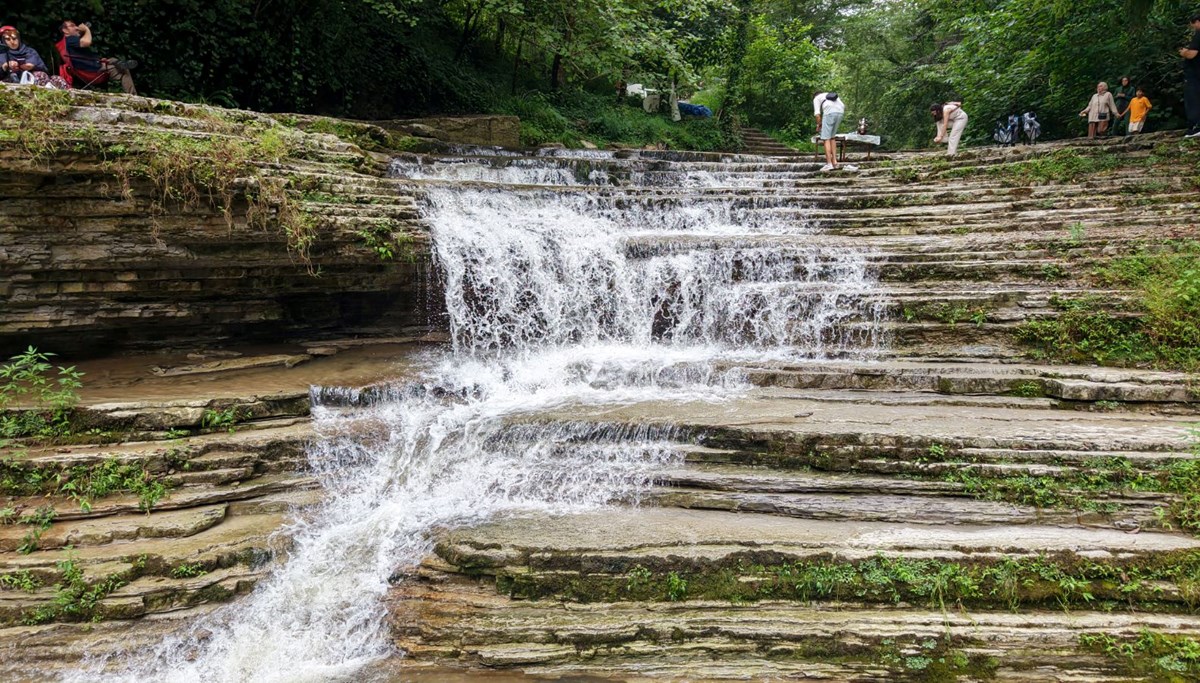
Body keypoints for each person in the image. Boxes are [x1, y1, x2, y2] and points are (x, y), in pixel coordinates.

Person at [57, 20, 137, 95]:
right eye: (72, 26)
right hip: (94, 71)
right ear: (65, 30)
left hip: (93, 67)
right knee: (123, 70)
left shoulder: (67, 43)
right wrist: (86, 29)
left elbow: (82, 57)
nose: (76, 27)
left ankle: (119, 63)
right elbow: (87, 42)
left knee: (113, 60)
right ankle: (133, 95)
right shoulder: (70, 39)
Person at [0, 26, 68, 88]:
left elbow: (31, 65)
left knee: (55, 79)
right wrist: (6, 65)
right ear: (3, 41)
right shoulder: (2, 53)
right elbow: (3, 67)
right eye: (8, 39)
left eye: (14, 39)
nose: (12, 42)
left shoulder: (29, 51)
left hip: (32, 77)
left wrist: (20, 66)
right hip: (9, 79)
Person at [813, 91, 857, 172]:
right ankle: (835, 163)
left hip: (830, 112)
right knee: (832, 138)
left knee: (826, 139)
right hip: (840, 111)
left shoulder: (816, 98)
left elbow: (817, 115)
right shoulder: (827, 95)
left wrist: (819, 125)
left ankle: (829, 164)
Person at [1181, 13, 1200, 138]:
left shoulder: (1199, 34)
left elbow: (1191, 54)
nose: (1192, 27)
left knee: (1193, 99)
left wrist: (1184, 52)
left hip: (1195, 74)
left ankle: (1196, 127)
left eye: (1192, 24)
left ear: (1197, 22)